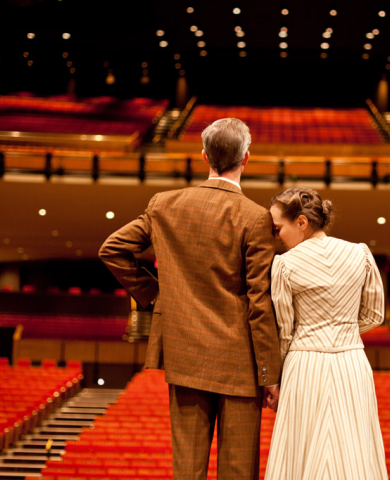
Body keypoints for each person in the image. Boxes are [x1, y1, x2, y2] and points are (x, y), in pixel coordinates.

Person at [98, 118, 281, 480]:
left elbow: (112, 250)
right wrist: (269, 375)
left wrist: (158, 296)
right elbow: (260, 302)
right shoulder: (255, 218)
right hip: (240, 364)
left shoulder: (164, 204)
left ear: (204, 156)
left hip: (184, 355)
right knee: (238, 471)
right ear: (246, 158)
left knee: (187, 470)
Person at [265, 187, 388, 480]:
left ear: (302, 223)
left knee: (302, 449)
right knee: (354, 448)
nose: (276, 235)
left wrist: (274, 382)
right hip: (351, 362)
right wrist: (341, 330)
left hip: (305, 364)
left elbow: (284, 331)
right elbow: (374, 314)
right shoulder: (360, 253)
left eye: (278, 228)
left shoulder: (284, 264)